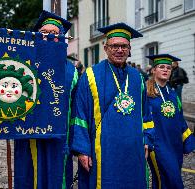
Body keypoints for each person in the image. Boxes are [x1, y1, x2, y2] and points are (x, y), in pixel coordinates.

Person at [70, 23, 155, 188]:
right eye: (115, 46)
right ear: (106, 48)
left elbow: (146, 114)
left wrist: (147, 140)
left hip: (133, 151)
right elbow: (79, 114)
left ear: (129, 49)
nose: (119, 50)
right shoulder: (90, 75)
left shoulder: (138, 78)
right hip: (103, 151)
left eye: (124, 46)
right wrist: (82, 150)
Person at [14, 10, 78, 189]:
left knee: (57, 181)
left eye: (54, 34)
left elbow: (76, 109)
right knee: (29, 177)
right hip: (28, 137)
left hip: (58, 140)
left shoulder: (71, 72)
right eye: (44, 33)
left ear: (61, 38)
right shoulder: (23, 64)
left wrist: (75, 143)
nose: (49, 37)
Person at [146, 54, 195, 189]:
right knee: (170, 180)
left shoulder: (172, 93)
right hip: (158, 145)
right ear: (154, 70)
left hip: (175, 144)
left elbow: (180, 119)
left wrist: (187, 141)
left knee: (166, 181)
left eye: (168, 67)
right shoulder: (146, 93)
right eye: (161, 67)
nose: (166, 70)